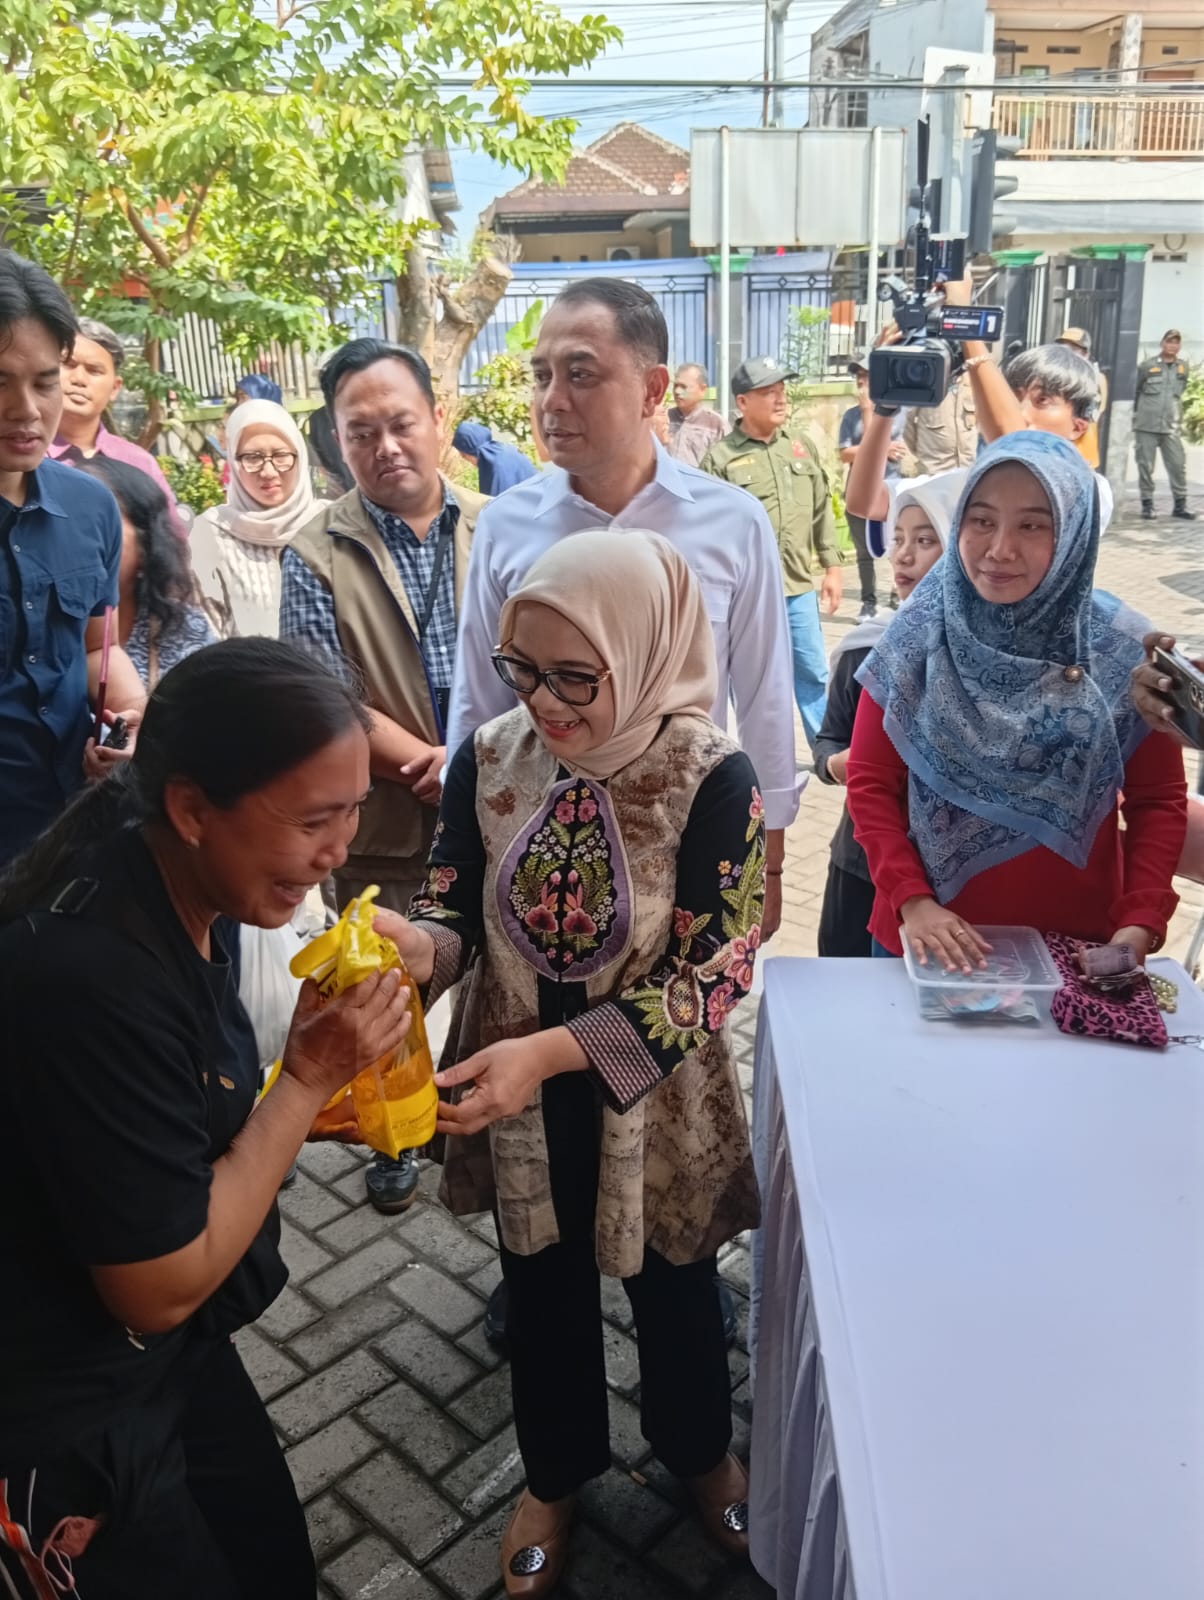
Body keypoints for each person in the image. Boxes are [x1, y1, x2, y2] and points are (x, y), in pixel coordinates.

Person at [380, 531, 763, 1597]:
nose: (543, 702)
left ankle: (701, 1455)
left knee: (674, 1281)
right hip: (516, 1087)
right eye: (522, 669)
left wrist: (551, 1055)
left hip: (651, 1091)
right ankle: (553, 1476)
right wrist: (418, 952)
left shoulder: (708, 776)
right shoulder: (489, 754)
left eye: (575, 676)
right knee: (540, 1284)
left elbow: (715, 974)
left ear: (643, 652)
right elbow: (452, 902)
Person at [0, 638, 413, 1599]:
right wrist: (304, 1082)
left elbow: (168, 1121)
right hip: (70, 1407)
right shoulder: (87, 976)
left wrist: (309, 1110)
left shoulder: (182, 881)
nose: (339, 851)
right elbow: (159, 1286)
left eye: (353, 810)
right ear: (190, 809)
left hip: (169, 1363)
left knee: (271, 1560)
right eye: (312, 819)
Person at [446, 279, 799, 941]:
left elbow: (765, 700)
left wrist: (769, 864)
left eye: (581, 374)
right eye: (542, 375)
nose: (552, 401)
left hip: (690, 849)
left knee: (682, 1003)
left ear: (652, 388)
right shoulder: (506, 525)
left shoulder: (731, 522)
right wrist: (461, 861)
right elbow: (478, 706)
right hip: (538, 861)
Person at [280, 337, 488, 1216]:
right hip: (389, 814)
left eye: (401, 423)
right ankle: (391, 1132)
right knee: (385, 986)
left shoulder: (499, 523)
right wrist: (431, 762)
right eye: (360, 432)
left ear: (439, 418)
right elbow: (326, 695)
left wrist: (475, 761)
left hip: (501, 798)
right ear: (337, 441)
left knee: (498, 974)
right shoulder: (315, 550)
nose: (385, 446)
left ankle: (486, 1116)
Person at [846, 432, 1186, 968]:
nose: (1000, 549)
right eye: (981, 520)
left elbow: (1158, 800)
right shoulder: (918, 635)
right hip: (925, 942)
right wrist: (912, 901)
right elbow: (870, 782)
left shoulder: (1121, 651)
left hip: (1076, 949)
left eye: (1032, 525)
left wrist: (1139, 923)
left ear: (1074, 533)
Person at [0, 250, 145, 866]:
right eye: (0, 382)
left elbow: (96, 648)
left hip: (73, 829)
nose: (27, 409)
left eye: (44, 381)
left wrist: (132, 718)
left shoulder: (92, 507)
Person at [814, 474, 958, 956]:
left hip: (947, 878)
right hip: (860, 862)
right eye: (897, 540)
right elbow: (827, 742)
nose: (903, 556)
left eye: (925, 540)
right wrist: (839, 765)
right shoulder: (867, 648)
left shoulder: (985, 662)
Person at [702, 354, 843, 753]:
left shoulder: (800, 447)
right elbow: (707, 531)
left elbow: (821, 508)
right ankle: (754, 754)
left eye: (782, 390)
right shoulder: (719, 459)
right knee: (751, 680)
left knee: (812, 671)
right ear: (743, 402)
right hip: (746, 596)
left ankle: (826, 751)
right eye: (768, 392)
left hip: (797, 588)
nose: (780, 399)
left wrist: (832, 566)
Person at [849, 335, 1116, 535]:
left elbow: (1017, 450)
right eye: (1013, 398)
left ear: (1079, 426)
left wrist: (969, 335)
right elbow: (866, 503)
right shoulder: (970, 484)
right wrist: (885, 408)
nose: (1022, 412)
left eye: (1043, 400)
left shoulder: (1091, 490)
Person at [76, 455, 215, 688]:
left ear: (147, 543)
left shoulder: (181, 628)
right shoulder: (30, 630)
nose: (77, 540)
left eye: (97, 525)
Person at [190, 399, 323, 639]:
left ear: (300, 455)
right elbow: (204, 634)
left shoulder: (329, 524)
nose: (268, 472)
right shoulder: (210, 534)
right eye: (252, 458)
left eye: (281, 455)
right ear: (233, 461)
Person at [47, 315, 185, 530]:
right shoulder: (21, 455)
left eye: (94, 370)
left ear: (115, 388)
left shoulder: (138, 463)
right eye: (68, 364)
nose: (79, 379)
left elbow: (169, 539)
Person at [838, 352, 911, 621]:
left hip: (892, 492)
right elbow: (845, 454)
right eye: (859, 376)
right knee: (864, 553)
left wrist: (879, 443)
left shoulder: (899, 413)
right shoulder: (851, 416)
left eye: (868, 376)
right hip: (860, 494)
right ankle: (868, 602)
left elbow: (890, 449)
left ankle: (898, 594)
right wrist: (882, 447)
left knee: (898, 545)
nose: (862, 382)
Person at [1134, 329, 1195, 521]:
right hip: (1147, 425)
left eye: (1176, 342)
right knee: (1145, 466)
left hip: (1171, 426)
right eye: (1169, 342)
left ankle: (1180, 505)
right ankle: (1147, 505)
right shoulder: (1147, 366)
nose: (1172, 346)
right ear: (1162, 344)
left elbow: (1180, 391)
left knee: (1177, 465)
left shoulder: (1183, 367)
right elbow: (1136, 389)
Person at [1054, 326, 1108, 471]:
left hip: (1081, 455)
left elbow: (1090, 415)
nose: (1067, 353)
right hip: (1056, 453)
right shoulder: (1054, 376)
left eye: (1073, 349)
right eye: (1063, 348)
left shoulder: (1095, 379)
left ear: (1086, 354)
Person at [452, 419, 538, 494]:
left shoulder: (496, 466)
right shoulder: (503, 450)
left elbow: (496, 503)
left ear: (471, 452)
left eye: (464, 456)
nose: (471, 463)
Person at [665, 362, 726, 467]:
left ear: (702, 390)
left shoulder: (716, 425)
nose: (677, 391)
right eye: (676, 386)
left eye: (684, 387)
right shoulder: (664, 418)